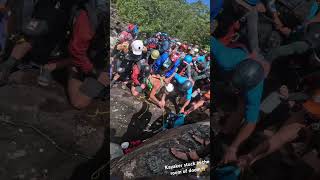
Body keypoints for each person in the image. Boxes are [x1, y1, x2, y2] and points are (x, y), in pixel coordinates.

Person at [212, 37, 268, 164]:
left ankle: (224, 133)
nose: (234, 89)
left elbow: (251, 122)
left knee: (242, 106)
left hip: (248, 77)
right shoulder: (225, 58)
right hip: (223, 68)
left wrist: (233, 148)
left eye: (237, 88)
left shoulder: (255, 89)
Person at [237, 89, 320, 169]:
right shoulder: (304, 110)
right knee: (278, 138)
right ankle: (249, 158)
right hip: (302, 120)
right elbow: (278, 139)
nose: (309, 111)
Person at [67, 1, 107, 109]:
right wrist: (94, 72)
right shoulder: (89, 16)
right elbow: (76, 50)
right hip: (86, 56)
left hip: (101, 56)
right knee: (79, 102)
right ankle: (71, 68)